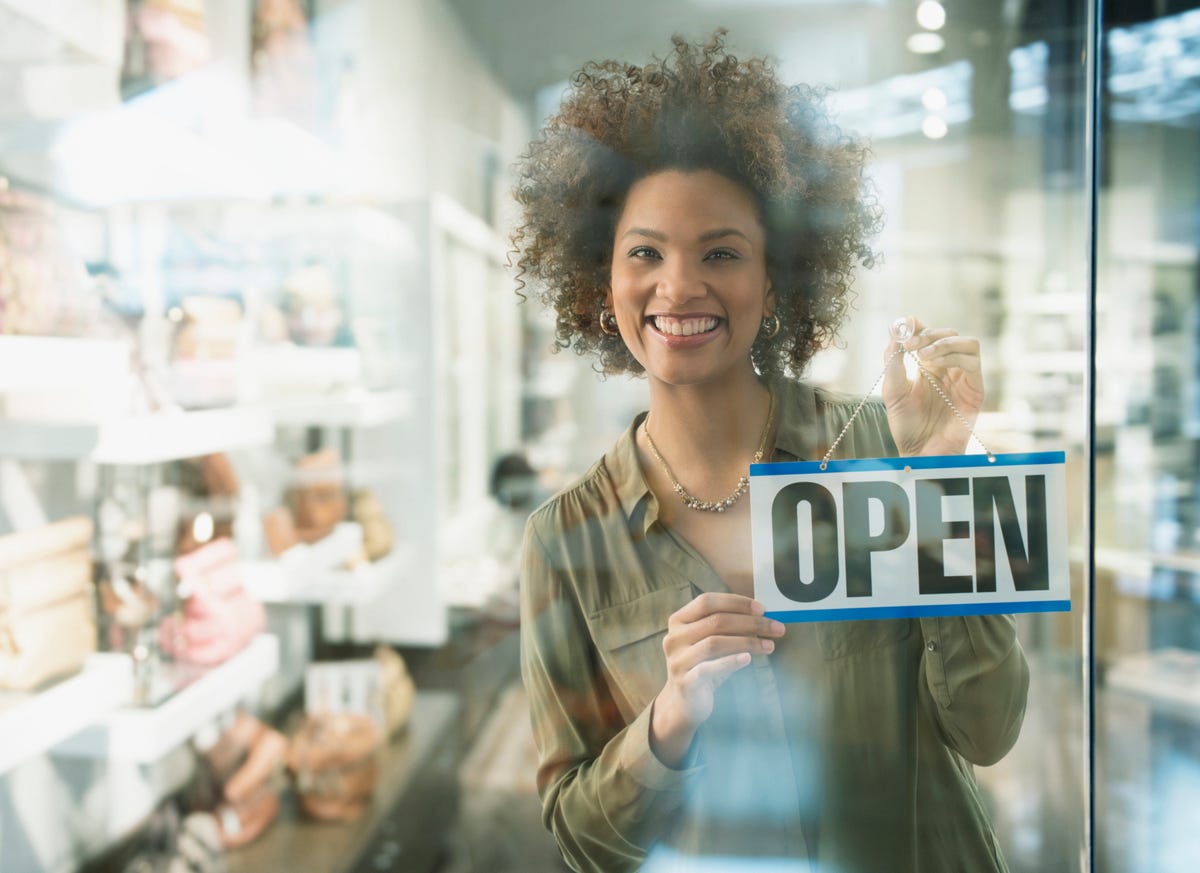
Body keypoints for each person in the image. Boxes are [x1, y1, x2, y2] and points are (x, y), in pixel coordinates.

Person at [511, 32, 1029, 873]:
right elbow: (581, 838)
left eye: (721, 251)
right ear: (598, 282)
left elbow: (991, 727)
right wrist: (670, 719)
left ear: (777, 276)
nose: (679, 287)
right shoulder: (564, 543)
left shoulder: (881, 448)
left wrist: (935, 479)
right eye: (645, 252)